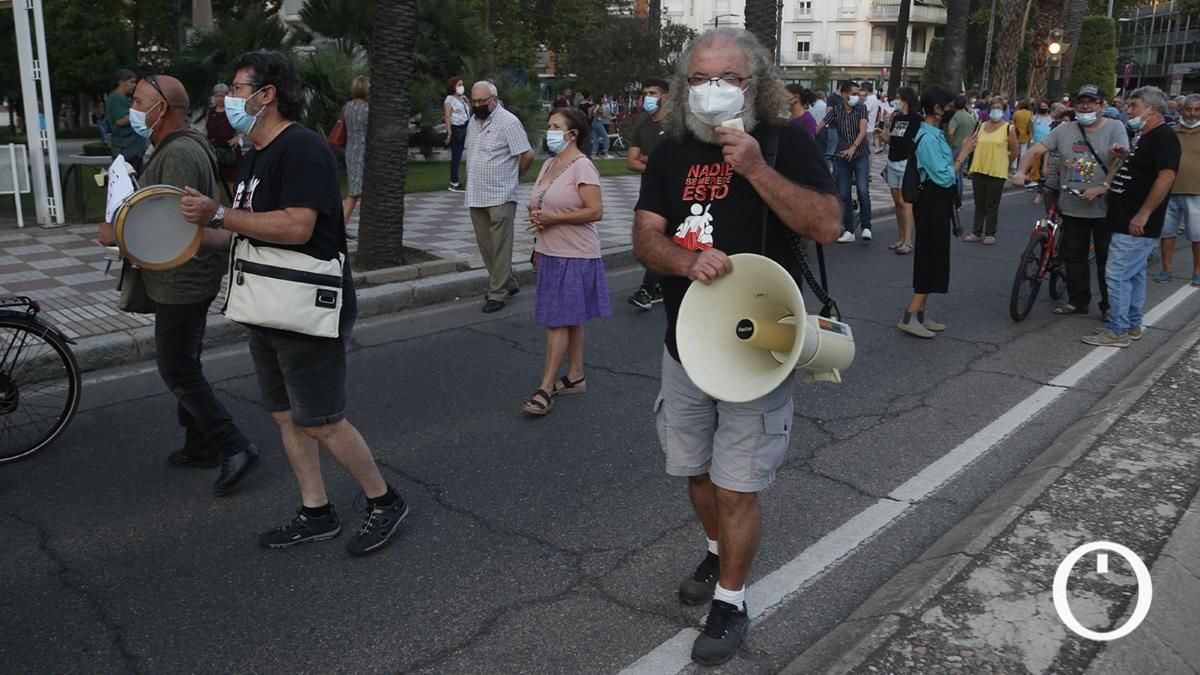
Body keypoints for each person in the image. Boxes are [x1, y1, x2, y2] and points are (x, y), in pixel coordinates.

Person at [632, 28, 840, 667]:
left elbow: (826, 225)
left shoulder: (786, 143)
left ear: (754, 85)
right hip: (687, 346)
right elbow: (645, 240)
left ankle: (731, 597)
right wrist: (685, 258)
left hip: (762, 347)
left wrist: (754, 167)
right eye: (699, 79)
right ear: (683, 86)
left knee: (737, 484)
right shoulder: (671, 153)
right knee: (695, 471)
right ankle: (717, 547)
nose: (713, 90)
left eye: (728, 78)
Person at [179, 50, 408, 555]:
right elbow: (242, 235)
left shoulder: (301, 148)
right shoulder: (253, 154)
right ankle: (316, 512)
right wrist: (176, 237)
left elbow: (297, 227)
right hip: (265, 303)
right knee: (286, 416)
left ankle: (385, 500)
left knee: (320, 419)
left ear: (267, 95)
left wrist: (219, 214)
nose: (228, 100)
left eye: (238, 90)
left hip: (304, 305)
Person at [98, 74, 257, 493]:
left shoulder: (181, 153)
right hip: (183, 271)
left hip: (184, 275)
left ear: (161, 108)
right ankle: (201, 444)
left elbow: (168, 223)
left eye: (138, 101)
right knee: (185, 359)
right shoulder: (178, 145)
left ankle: (234, 445)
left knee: (177, 367)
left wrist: (113, 231)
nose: (132, 108)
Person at [522, 109, 610, 415]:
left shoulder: (582, 166)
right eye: (549, 126)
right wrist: (540, 231)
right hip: (551, 252)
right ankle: (575, 376)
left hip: (576, 254)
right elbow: (543, 205)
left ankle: (545, 387)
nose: (550, 131)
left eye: (556, 127)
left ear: (573, 134)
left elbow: (595, 211)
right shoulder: (549, 163)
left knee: (557, 320)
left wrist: (553, 218)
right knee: (570, 318)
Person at [1013, 84, 1128, 318]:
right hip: (1072, 205)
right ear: (1074, 105)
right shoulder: (1064, 130)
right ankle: (1078, 301)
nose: (1085, 106)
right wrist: (1021, 172)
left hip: (1104, 208)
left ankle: (1108, 306)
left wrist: (1103, 186)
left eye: (1091, 102)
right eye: (1081, 102)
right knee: (1074, 257)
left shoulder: (1115, 128)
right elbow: (1034, 151)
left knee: (1107, 260)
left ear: (1101, 105)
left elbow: (1121, 158)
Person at [1081, 86, 1182, 347]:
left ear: (1151, 109)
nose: (1129, 111)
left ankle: (1117, 330)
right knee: (1133, 274)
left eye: (1134, 106)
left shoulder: (1163, 137)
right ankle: (1132, 323)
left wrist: (1144, 214)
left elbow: (1166, 176)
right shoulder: (1144, 137)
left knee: (1116, 275)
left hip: (1135, 222)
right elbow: (1147, 168)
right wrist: (1126, 157)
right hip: (1125, 218)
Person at [898, 85, 977, 338]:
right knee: (930, 257)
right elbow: (943, 176)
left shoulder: (934, 133)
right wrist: (963, 155)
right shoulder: (929, 138)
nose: (954, 110)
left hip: (937, 204)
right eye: (950, 106)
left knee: (937, 256)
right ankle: (909, 315)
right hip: (931, 204)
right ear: (937, 109)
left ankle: (921, 312)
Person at [465, 81, 535, 313]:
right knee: (486, 246)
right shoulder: (473, 122)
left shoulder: (509, 122)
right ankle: (509, 282)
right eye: (473, 101)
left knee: (501, 247)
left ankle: (497, 293)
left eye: (481, 101)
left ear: (493, 99)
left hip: (500, 194)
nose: (477, 106)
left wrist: (515, 177)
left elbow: (527, 154)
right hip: (476, 194)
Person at [627, 77, 671, 311]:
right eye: (645, 92)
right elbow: (631, 162)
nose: (647, 97)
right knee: (653, 239)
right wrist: (655, 164)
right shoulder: (642, 127)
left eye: (652, 92)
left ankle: (646, 289)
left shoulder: (676, 125)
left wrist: (648, 159)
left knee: (658, 240)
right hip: (649, 192)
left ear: (664, 96)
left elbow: (675, 164)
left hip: (672, 193)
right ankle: (660, 285)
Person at [816, 80, 871, 242]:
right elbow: (820, 126)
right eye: (854, 93)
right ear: (844, 94)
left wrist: (853, 147)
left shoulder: (862, 109)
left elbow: (863, 131)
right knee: (844, 194)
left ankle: (866, 227)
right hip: (841, 157)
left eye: (858, 93)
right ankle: (849, 231)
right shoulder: (836, 111)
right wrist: (806, 138)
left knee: (863, 190)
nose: (856, 97)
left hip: (860, 155)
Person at [1155, 93, 1200, 286]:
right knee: (1167, 233)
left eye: (1197, 110)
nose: (1192, 113)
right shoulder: (1171, 132)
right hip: (1169, 191)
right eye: (1189, 109)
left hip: (1197, 192)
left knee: (1197, 236)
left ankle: (1197, 271)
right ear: (1181, 110)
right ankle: (1166, 269)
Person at [964, 97, 1018, 244]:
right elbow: (972, 142)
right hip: (979, 169)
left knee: (992, 204)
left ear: (1004, 110)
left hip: (996, 171)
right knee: (979, 203)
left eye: (999, 108)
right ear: (989, 109)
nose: (996, 110)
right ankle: (976, 232)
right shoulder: (981, 126)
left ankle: (990, 233)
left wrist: (1004, 163)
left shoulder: (1008, 128)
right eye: (994, 107)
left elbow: (1014, 151)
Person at [875, 86, 922, 254]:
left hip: (905, 164)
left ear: (906, 100)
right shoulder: (896, 118)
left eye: (898, 97)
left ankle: (908, 241)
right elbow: (893, 141)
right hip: (892, 162)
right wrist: (881, 134)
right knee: (897, 203)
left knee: (905, 203)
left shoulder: (916, 119)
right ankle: (901, 237)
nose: (895, 100)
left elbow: (917, 142)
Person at [341, 75, 369, 229]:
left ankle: (342, 226)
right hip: (364, 151)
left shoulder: (348, 107)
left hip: (351, 149)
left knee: (355, 190)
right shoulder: (368, 109)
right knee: (354, 194)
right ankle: (339, 228)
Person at [106, 69, 147, 173]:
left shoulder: (124, 98)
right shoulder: (116, 98)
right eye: (131, 82)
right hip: (126, 148)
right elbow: (120, 120)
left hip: (133, 147)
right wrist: (140, 112)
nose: (134, 85)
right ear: (121, 82)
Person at [205, 83, 241, 196]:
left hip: (229, 151)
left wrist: (238, 137)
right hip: (214, 150)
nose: (220, 98)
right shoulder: (210, 111)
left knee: (232, 182)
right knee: (215, 181)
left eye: (222, 96)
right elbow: (206, 128)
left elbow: (243, 127)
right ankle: (217, 210)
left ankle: (236, 208)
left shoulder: (232, 110)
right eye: (217, 96)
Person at [443, 76, 470, 193]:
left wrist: (467, 101)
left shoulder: (461, 99)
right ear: (453, 86)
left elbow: (468, 112)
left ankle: (464, 181)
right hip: (457, 129)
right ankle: (454, 182)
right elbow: (447, 117)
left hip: (466, 127)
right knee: (456, 157)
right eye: (459, 84)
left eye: (462, 84)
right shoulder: (449, 100)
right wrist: (449, 132)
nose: (461, 87)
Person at [947, 95, 978, 198]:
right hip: (967, 148)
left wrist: (950, 141)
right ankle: (959, 197)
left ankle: (955, 197)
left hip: (956, 147)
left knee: (954, 173)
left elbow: (951, 132)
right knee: (960, 173)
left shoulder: (956, 116)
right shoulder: (970, 117)